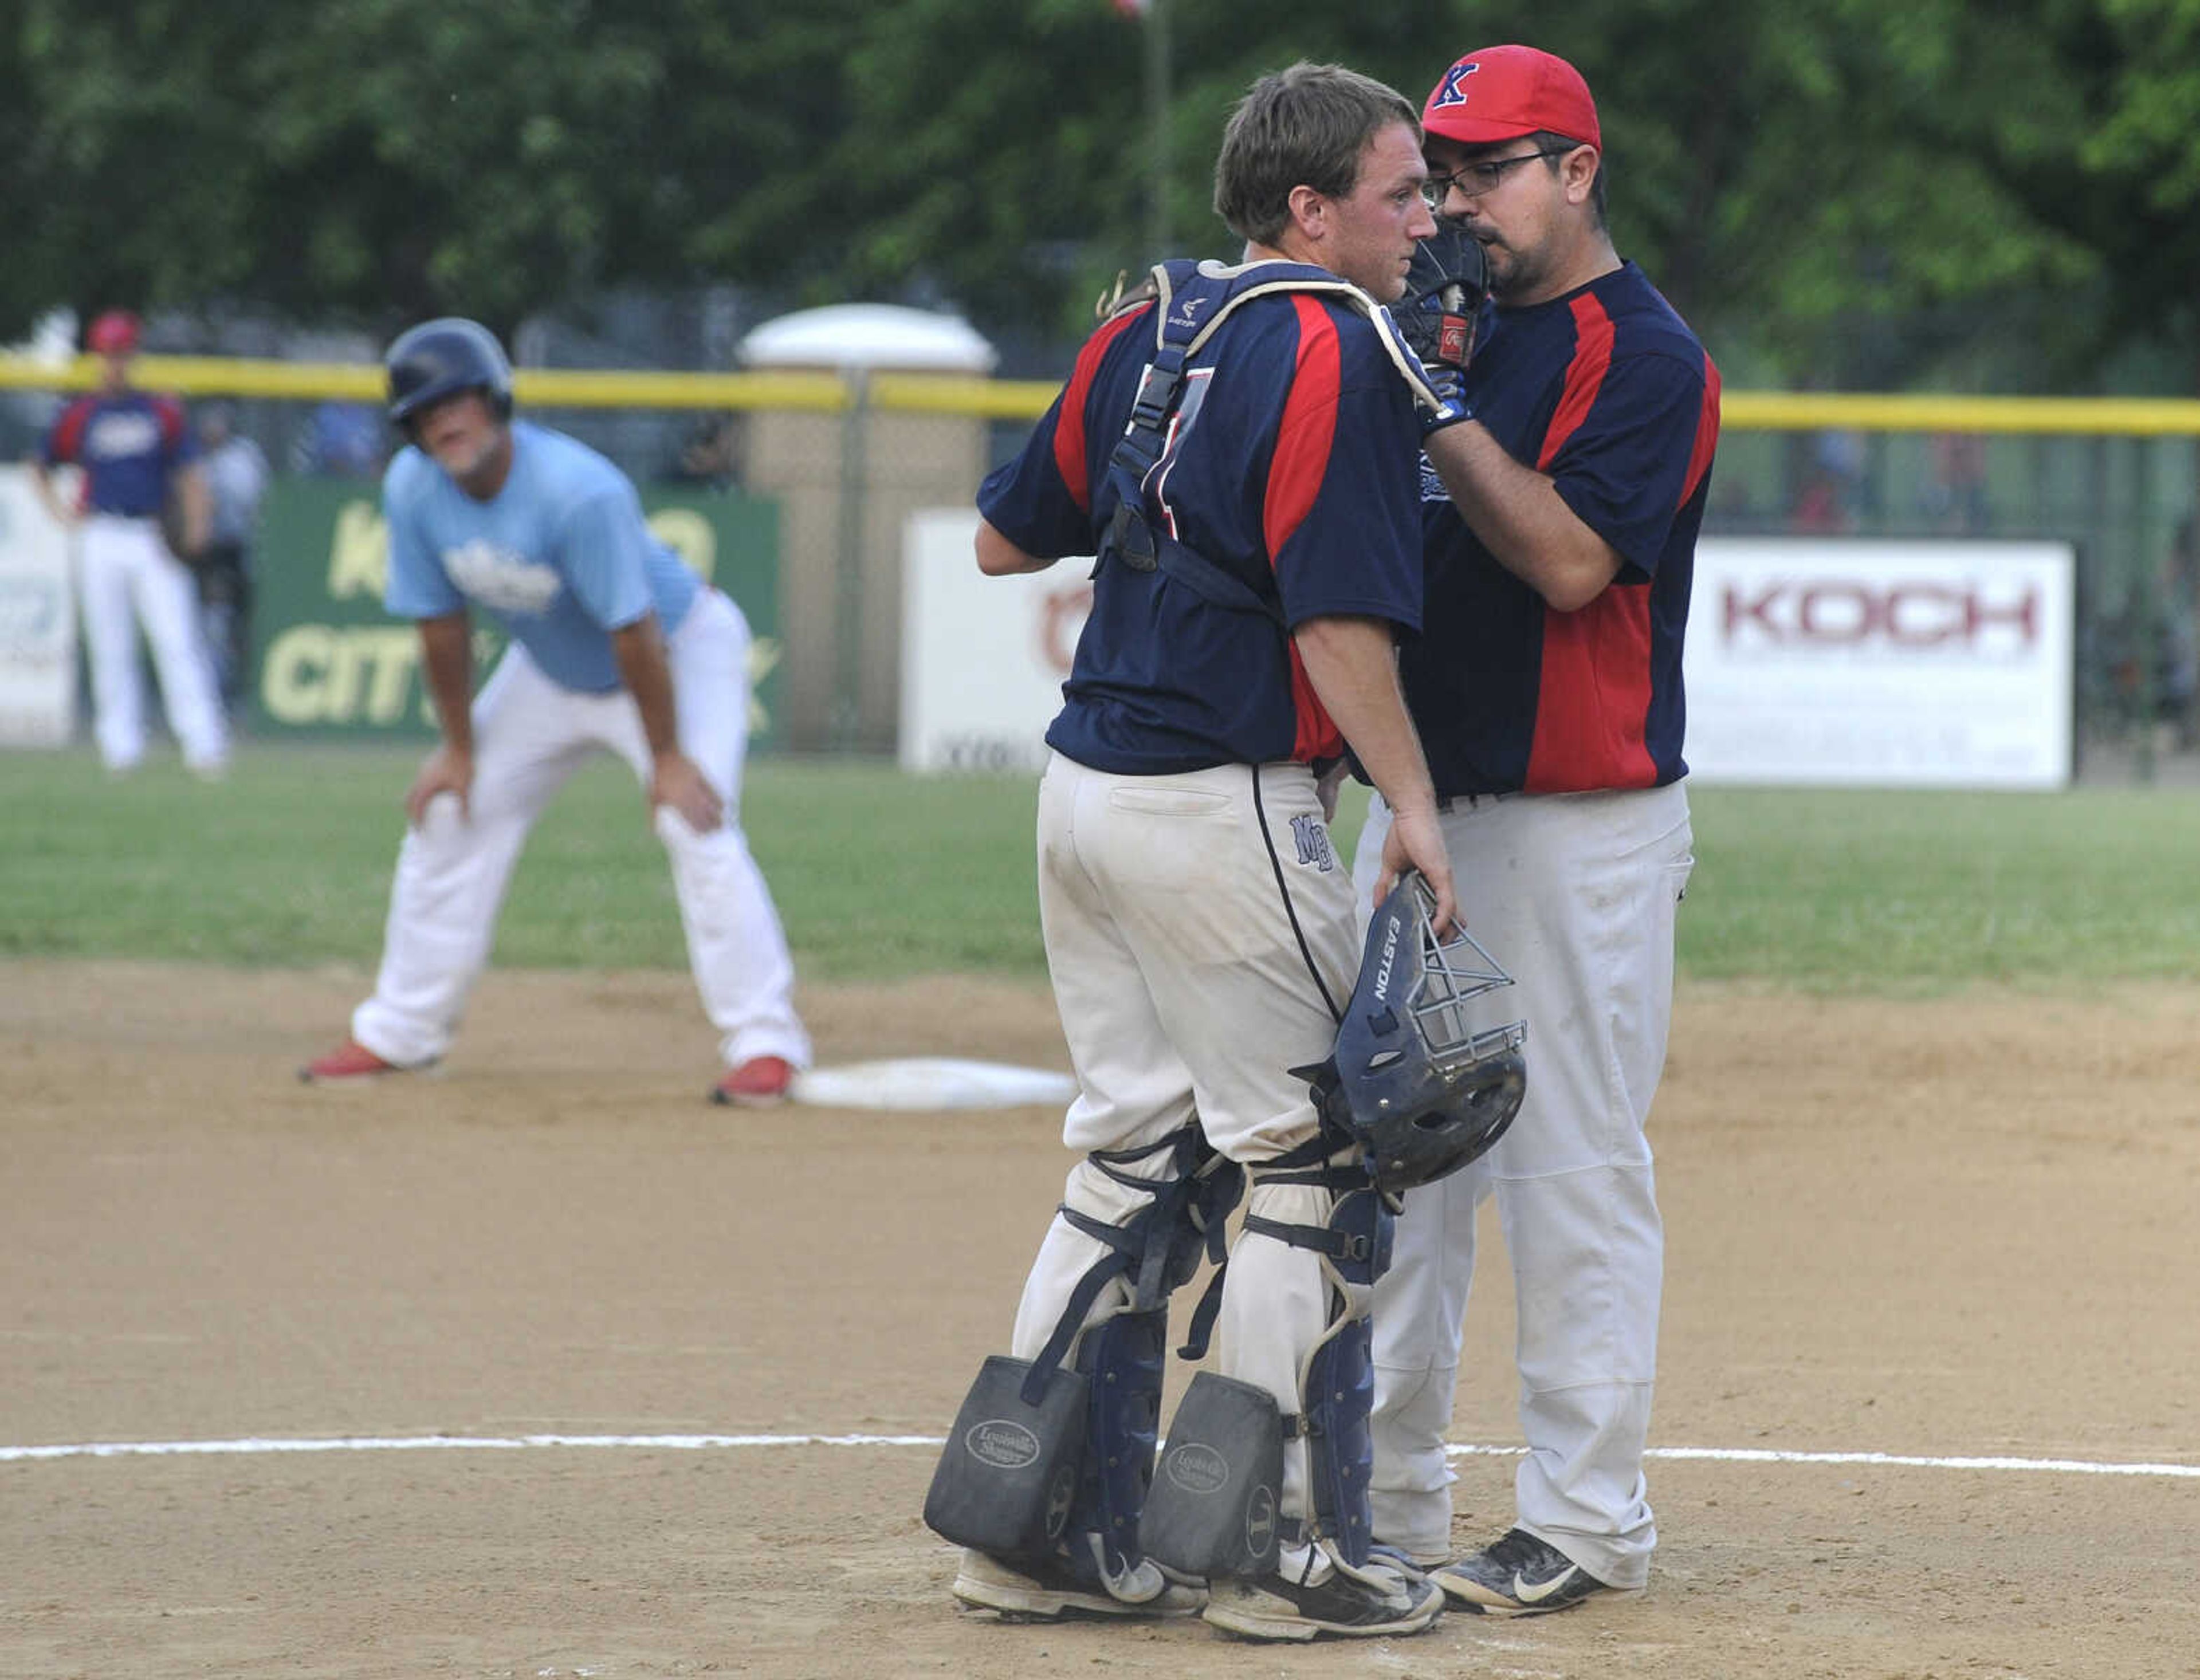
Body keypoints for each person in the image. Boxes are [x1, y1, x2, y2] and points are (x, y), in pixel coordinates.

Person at [929, 62, 1460, 1644]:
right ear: (1310, 209)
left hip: (1084, 791)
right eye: (1401, 189)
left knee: (1133, 1157)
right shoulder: (1335, 347)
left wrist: (1154, 471)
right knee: (1318, 1167)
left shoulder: (1151, 324)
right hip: (1219, 798)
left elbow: (1006, 536)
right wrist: (1412, 800)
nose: (1427, 218)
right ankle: (1283, 1557)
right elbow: (1340, 619)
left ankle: (1032, 1537)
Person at [1356, 44, 1722, 1615]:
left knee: (1568, 1165)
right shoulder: (1444, 336)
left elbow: (1572, 562)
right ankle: (1377, 1493)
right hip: (1425, 814)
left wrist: (1427, 401)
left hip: (1582, 826)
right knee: (1403, 1167)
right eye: (1439, 174)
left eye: (1489, 171)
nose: (1457, 205)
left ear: (1578, 169)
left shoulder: (1644, 357)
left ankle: (1582, 1517)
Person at [298, 317, 811, 1105]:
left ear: (497, 400)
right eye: (428, 412)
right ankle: (401, 1031)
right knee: (448, 813)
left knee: (694, 818)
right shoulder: (413, 490)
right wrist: (459, 749)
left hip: (675, 653)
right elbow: (441, 627)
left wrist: (668, 759)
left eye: (461, 400)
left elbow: (633, 630)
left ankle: (767, 1042)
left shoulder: (579, 490)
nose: (448, 420)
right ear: (411, 431)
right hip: (551, 671)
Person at [29, 309, 229, 777]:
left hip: (152, 535)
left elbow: (190, 472)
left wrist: (198, 523)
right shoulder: (81, 414)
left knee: (177, 640)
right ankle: (121, 748)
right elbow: (41, 464)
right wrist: (60, 513)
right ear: (97, 357)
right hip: (101, 534)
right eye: (108, 354)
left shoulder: (159, 411)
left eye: (122, 353)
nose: (115, 362)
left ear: (133, 355)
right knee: (110, 646)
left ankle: (205, 745)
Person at [192, 401, 270, 715]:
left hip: (239, 547)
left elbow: (253, 502)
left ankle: (238, 692)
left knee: (240, 625)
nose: (213, 430)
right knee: (210, 622)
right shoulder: (195, 456)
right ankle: (214, 692)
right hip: (207, 551)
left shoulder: (242, 457)